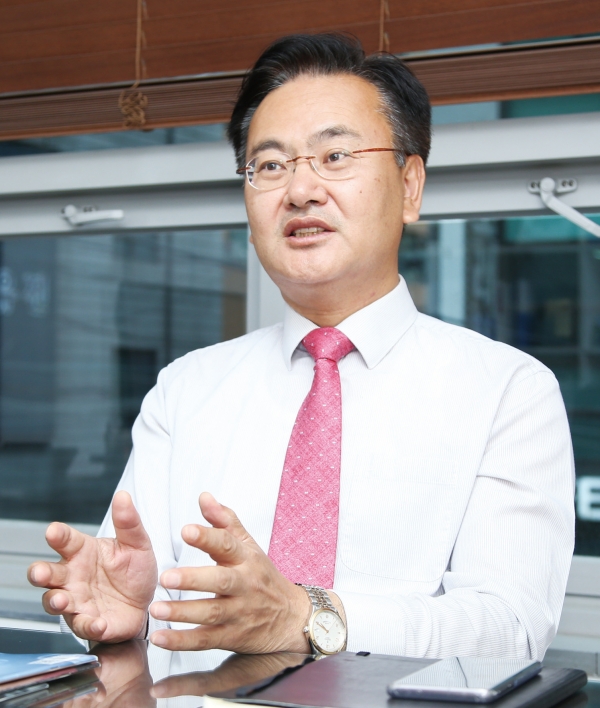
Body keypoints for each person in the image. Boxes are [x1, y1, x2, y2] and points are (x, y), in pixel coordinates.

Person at [27, 33, 574, 659]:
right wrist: (134, 616)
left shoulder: (507, 391)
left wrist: (307, 618)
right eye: (270, 166)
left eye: (335, 155)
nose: (300, 190)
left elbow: (512, 627)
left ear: (410, 185)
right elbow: (138, 600)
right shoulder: (186, 389)